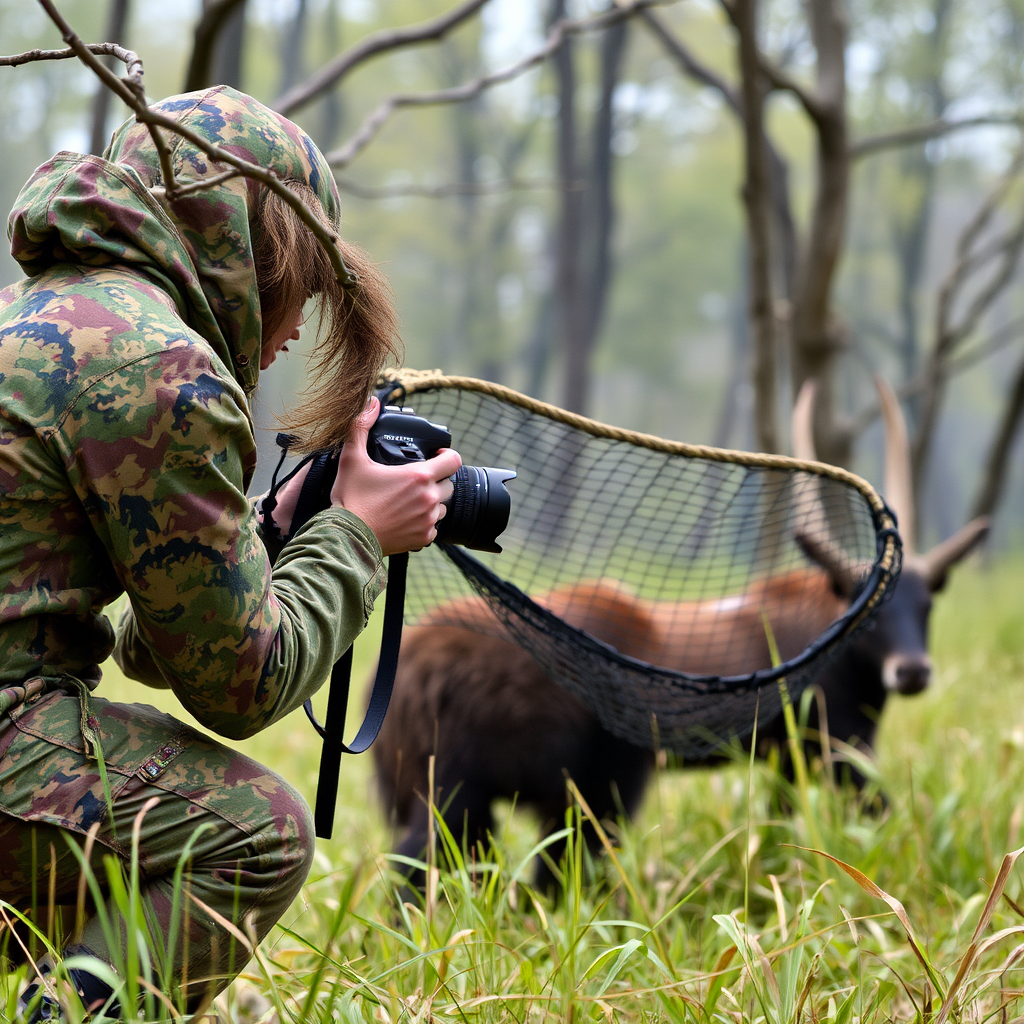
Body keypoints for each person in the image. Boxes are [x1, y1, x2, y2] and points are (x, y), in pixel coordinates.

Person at [0, 85, 461, 1018]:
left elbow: (152, 633)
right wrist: (361, 536)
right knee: (256, 836)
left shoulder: (38, 313)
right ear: (252, 248)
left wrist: (265, 540)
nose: (293, 334)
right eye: (306, 291)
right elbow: (240, 688)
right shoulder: (160, 369)